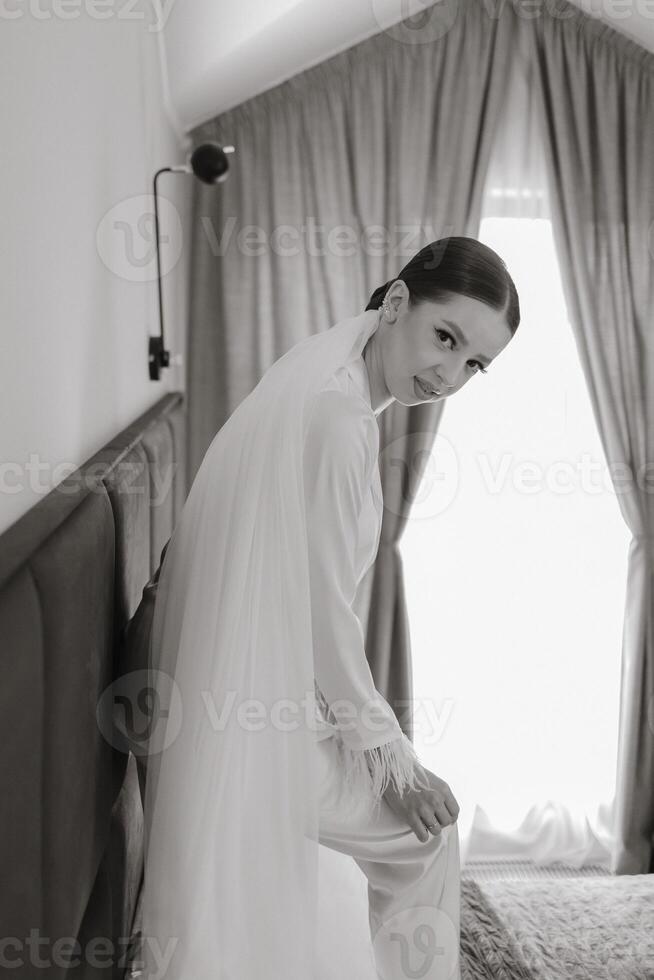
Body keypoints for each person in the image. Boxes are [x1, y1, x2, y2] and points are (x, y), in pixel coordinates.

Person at [138, 237, 520, 980]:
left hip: (235, 699)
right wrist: (392, 761)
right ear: (399, 304)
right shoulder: (340, 418)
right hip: (248, 731)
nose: (450, 374)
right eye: (447, 338)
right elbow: (323, 618)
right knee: (429, 839)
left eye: (475, 364)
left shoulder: (321, 372)